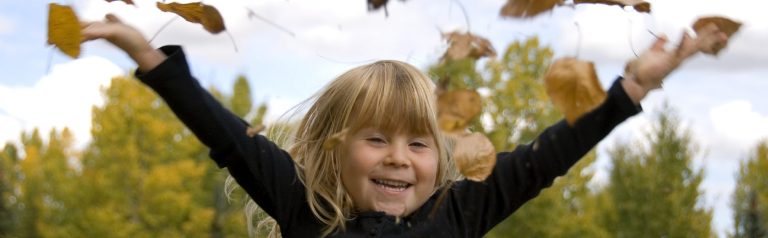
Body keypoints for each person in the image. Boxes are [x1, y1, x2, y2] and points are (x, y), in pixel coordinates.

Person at [81, 14, 729, 237]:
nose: (398, 158)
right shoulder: (307, 211)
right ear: (338, 148)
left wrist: (633, 87)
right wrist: (149, 57)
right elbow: (225, 134)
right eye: (377, 139)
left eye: (418, 143)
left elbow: (548, 154)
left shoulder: (462, 210)